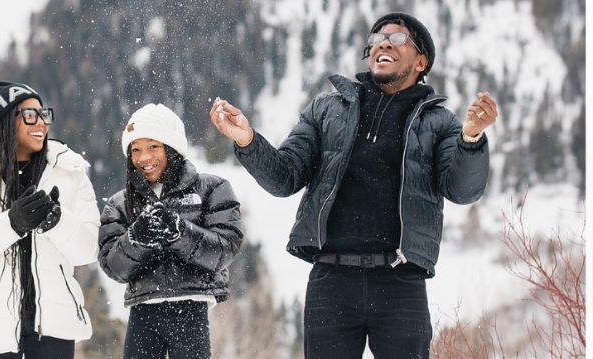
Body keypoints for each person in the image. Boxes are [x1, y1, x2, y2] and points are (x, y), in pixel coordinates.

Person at [209, 13, 497, 358]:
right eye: (377, 39)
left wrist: (470, 137)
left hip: (401, 282)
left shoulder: (439, 123)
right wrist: (247, 140)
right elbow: (285, 177)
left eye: (399, 39)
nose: (384, 44)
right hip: (331, 280)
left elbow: (463, 190)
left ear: (422, 61)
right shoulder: (327, 109)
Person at [0, 81, 99, 358]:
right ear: (4, 122)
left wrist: (58, 222)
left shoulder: (70, 172)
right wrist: (11, 224)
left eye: (44, 114)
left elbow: (88, 250)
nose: (41, 122)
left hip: (54, 329)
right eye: (30, 115)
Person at [99, 104, 243, 359]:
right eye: (136, 149)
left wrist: (179, 232)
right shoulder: (119, 203)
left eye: (153, 146)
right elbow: (114, 268)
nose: (144, 158)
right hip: (142, 312)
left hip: (192, 309)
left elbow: (225, 250)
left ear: (172, 148)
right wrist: (136, 240)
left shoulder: (212, 188)